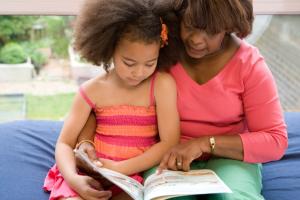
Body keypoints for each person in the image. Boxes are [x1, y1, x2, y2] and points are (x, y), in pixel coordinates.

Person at [77, 0, 288, 199]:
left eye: (211, 31)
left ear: (229, 26)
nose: (196, 39)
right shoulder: (158, 54)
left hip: (230, 159)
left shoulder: (249, 65)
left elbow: (275, 141)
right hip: (166, 158)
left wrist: (205, 144)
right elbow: (103, 100)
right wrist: (86, 141)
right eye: (190, 26)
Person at [43, 0, 181, 199]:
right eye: (129, 63)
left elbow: (169, 142)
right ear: (109, 48)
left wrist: (121, 168)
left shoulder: (161, 84)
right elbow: (64, 143)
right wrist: (74, 179)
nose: (139, 72)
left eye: (150, 63)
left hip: (130, 177)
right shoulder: (91, 90)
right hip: (87, 173)